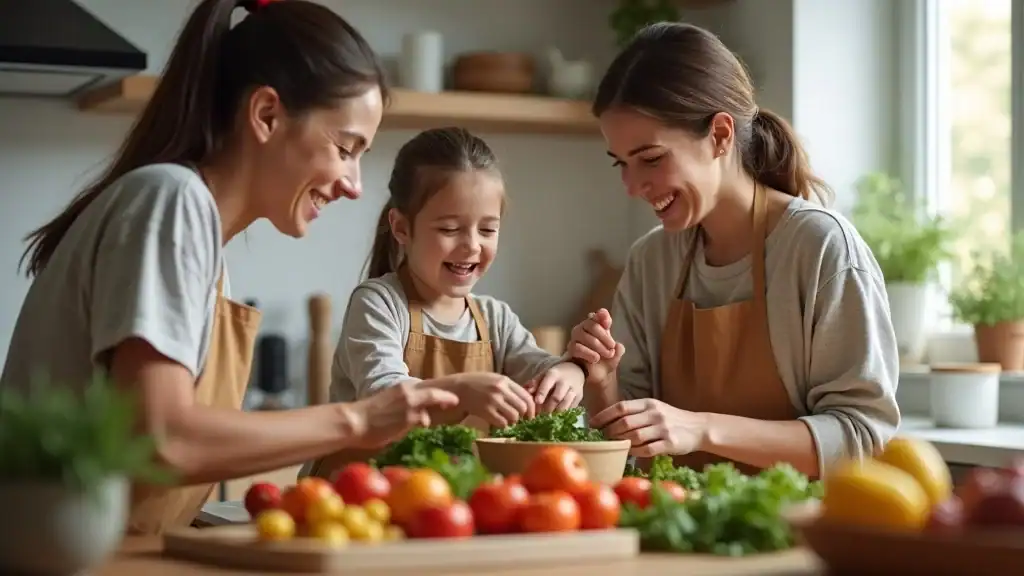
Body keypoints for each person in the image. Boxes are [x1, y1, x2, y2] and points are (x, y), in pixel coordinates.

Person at [0, 0, 460, 534]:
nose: (354, 185)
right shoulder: (170, 201)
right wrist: (358, 419)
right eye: (345, 147)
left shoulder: (195, 232)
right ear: (266, 115)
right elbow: (162, 438)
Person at [569, 22, 900, 479]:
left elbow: (861, 438)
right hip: (678, 528)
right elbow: (630, 454)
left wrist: (703, 429)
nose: (632, 187)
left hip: (796, 534)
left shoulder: (821, 248)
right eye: (621, 164)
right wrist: (602, 384)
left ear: (721, 135)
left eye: (650, 158)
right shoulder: (652, 262)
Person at [303, 127, 587, 478]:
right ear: (402, 228)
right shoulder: (378, 303)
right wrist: (463, 391)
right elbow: (384, 394)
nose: (471, 246)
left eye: (487, 230)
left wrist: (572, 369)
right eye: (450, 229)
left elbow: (540, 372)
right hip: (354, 495)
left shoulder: (495, 319)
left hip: (439, 503)